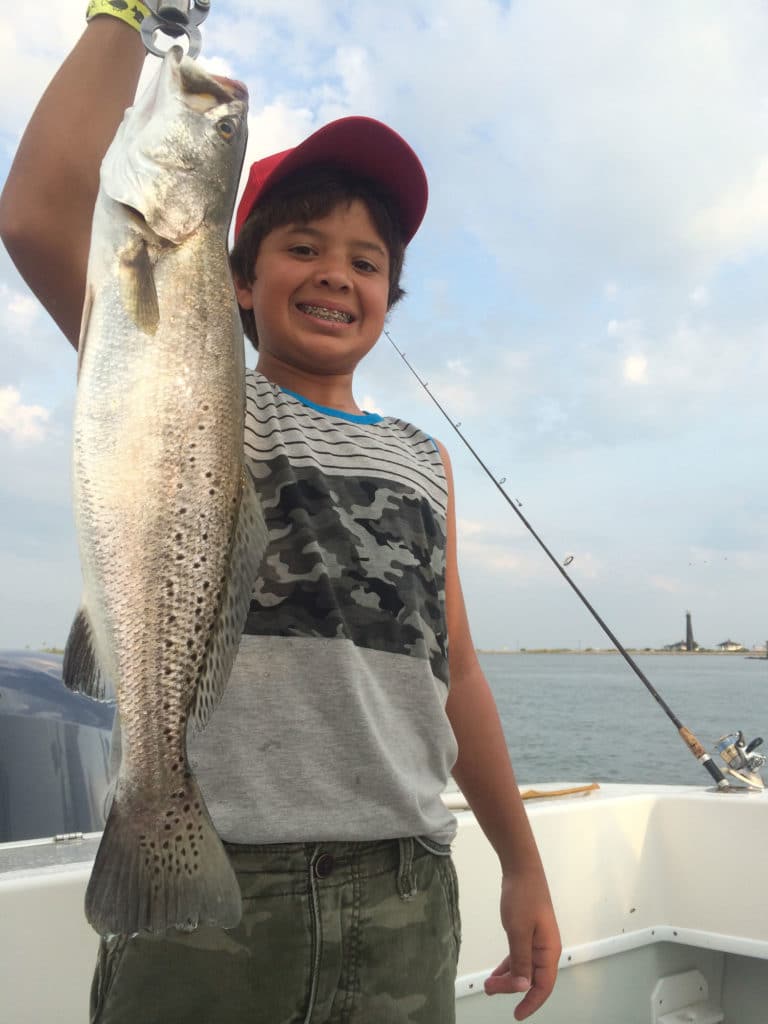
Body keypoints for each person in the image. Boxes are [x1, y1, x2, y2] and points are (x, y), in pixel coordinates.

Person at [0, 5, 561, 1023]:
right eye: (304, 245)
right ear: (238, 280)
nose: (338, 273)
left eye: (368, 259)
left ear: (392, 293)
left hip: (404, 888)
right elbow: (36, 211)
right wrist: (131, 20)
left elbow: (459, 674)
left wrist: (521, 863)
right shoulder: (192, 384)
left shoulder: (422, 459)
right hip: (222, 890)